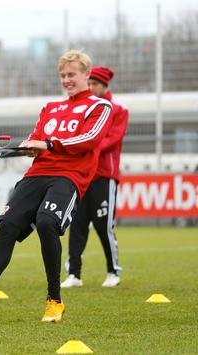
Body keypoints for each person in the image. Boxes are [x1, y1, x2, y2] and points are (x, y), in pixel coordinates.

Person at [0, 50, 113, 322]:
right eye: (63, 75)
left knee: (47, 223)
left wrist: (48, 144)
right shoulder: (50, 108)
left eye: (72, 74)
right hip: (36, 175)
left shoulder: (99, 106)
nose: (67, 80)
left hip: (68, 177)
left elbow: (90, 140)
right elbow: (37, 137)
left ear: (86, 74)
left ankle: (54, 300)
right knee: (8, 225)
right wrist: (29, 147)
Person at [61, 66, 128, 289]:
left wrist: (84, 144)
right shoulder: (83, 108)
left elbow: (109, 140)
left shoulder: (118, 110)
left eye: (94, 84)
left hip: (104, 175)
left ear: (104, 85)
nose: (90, 88)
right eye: (88, 83)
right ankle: (74, 274)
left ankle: (113, 271)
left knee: (103, 224)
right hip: (82, 174)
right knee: (77, 224)